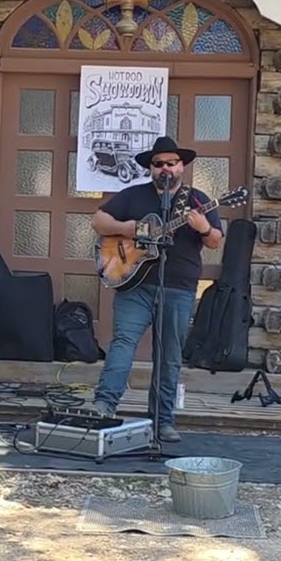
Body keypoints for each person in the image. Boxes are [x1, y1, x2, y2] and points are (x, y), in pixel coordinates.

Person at [88, 136, 224, 443]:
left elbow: (215, 240)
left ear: (182, 166)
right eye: (159, 164)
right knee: (123, 342)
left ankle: (162, 420)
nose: (165, 169)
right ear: (151, 168)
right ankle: (104, 405)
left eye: (171, 163)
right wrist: (130, 229)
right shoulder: (133, 196)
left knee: (169, 355)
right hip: (135, 284)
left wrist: (203, 227)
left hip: (178, 287)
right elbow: (98, 221)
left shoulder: (199, 200)